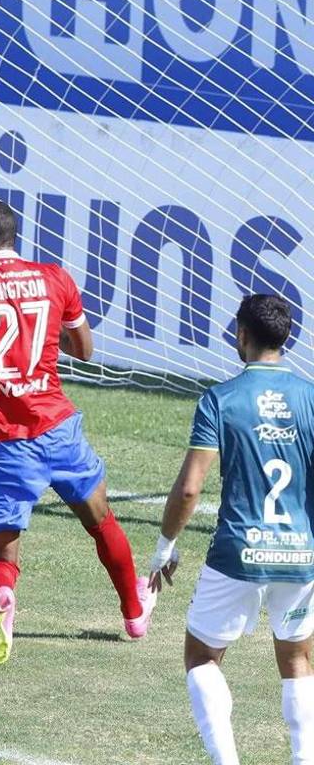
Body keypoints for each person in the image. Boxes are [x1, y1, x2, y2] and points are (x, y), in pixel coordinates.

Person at [0, 199, 155, 665]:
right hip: (59, 430)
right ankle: (134, 613)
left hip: (2, 441)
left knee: (0, 556)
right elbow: (85, 350)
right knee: (101, 522)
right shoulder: (55, 278)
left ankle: (4, 594)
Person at [150, 294, 314, 765]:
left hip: (238, 552)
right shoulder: (309, 399)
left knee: (201, 655)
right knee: (298, 660)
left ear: (241, 334)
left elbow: (188, 490)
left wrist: (165, 546)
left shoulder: (220, 400)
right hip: (299, 553)